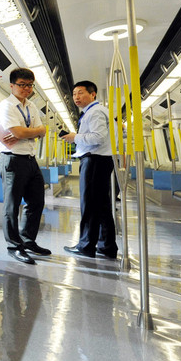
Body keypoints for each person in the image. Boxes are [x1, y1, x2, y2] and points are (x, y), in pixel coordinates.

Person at [0, 68, 50, 264]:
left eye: (30, 85)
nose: (27, 89)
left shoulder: (32, 107)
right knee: (12, 205)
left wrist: (31, 131)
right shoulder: (6, 106)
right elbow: (17, 132)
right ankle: (14, 246)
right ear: (12, 86)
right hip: (12, 159)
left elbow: (42, 130)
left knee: (36, 202)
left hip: (30, 159)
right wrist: (32, 131)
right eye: (22, 85)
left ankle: (27, 240)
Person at [60, 80, 117, 259]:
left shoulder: (95, 112)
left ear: (93, 95)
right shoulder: (94, 112)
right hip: (101, 160)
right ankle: (106, 246)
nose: (76, 97)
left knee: (90, 205)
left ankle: (86, 245)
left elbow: (98, 137)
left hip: (95, 160)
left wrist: (74, 137)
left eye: (81, 93)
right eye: (74, 94)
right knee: (102, 205)